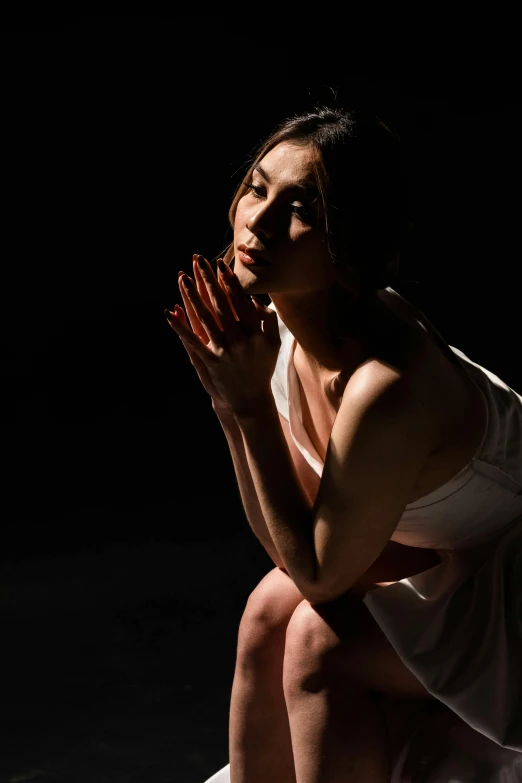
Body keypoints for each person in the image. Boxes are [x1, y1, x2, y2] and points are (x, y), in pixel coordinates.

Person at [164, 107, 522, 782]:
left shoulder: (385, 384)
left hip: (509, 578)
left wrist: (242, 405)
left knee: (315, 638)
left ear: (349, 243)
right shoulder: (283, 325)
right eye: (257, 188)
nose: (258, 222)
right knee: (270, 608)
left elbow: (319, 574)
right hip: (450, 550)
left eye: (299, 209)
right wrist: (228, 401)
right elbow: (292, 548)